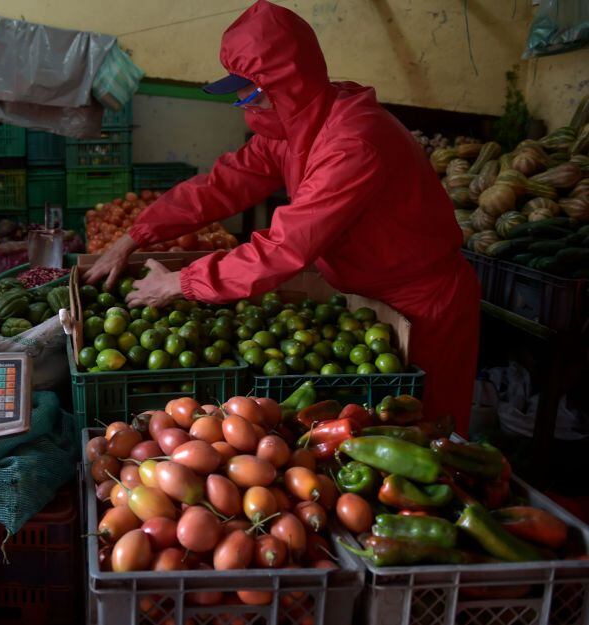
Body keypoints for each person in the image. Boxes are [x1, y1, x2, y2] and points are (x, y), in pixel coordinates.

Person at [83, 0, 480, 431]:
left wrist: (181, 282)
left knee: (434, 437)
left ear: (284, 86)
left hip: (423, 305)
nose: (241, 103)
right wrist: (135, 236)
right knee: (375, 430)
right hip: (368, 300)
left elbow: (286, 246)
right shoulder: (294, 125)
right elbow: (223, 185)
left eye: (248, 93)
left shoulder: (352, 142)